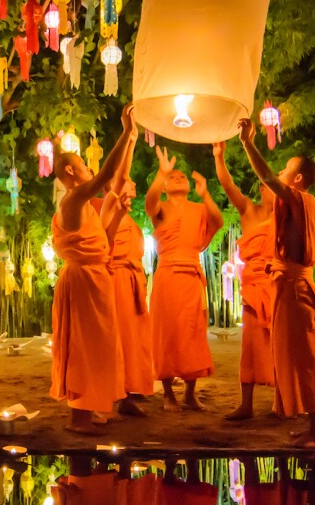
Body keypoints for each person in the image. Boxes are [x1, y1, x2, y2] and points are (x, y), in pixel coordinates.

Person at [239, 119, 315, 447]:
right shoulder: (313, 207)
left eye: (286, 169)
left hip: (294, 287)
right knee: (302, 355)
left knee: (308, 357)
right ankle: (314, 425)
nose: (279, 173)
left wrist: (247, 142)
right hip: (294, 284)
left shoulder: (298, 199)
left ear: (297, 179)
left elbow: (266, 177)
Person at [51, 104, 138, 434]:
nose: (90, 170)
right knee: (83, 347)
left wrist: (130, 143)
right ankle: (79, 416)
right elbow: (107, 177)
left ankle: (92, 406)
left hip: (97, 278)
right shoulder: (71, 202)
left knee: (101, 347)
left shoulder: (88, 208)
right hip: (83, 281)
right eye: (84, 165)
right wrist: (126, 132)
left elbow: (105, 241)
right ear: (71, 173)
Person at [146, 147, 223, 411]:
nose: (178, 177)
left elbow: (218, 220)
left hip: (191, 275)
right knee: (167, 333)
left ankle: (190, 393)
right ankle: (168, 394)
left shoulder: (199, 208)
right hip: (167, 275)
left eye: (182, 176)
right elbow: (149, 201)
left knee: (193, 332)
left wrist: (206, 194)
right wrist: (162, 171)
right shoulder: (161, 209)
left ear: (189, 186)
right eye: (173, 176)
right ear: (165, 186)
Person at [214, 138, 277, 420]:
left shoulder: (288, 215)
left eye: (270, 185)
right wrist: (219, 156)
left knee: (280, 345)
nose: (266, 189)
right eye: (263, 186)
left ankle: (282, 400)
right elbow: (229, 186)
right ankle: (246, 404)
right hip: (254, 285)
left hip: (278, 283)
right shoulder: (249, 211)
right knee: (250, 345)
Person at [104, 171, 153, 418]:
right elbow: (106, 243)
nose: (132, 182)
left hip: (131, 279)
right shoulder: (108, 209)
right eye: (126, 179)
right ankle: (118, 393)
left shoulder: (126, 215)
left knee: (133, 337)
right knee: (121, 337)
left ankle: (129, 392)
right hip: (118, 279)